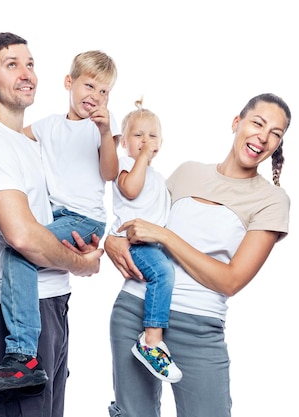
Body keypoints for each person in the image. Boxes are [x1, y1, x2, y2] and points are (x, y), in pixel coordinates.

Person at [99, 92, 292, 417]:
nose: (264, 136)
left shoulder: (271, 201)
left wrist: (165, 236)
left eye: (276, 133)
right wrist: (110, 240)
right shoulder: (188, 172)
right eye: (258, 123)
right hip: (135, 310)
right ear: (236, 123)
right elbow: (140, 214)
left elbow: (230, 280)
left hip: (198, 326)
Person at [0, 32, 104, 417]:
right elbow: (22, 236)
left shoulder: (27, 141)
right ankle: (20, 355)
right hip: (13, 318)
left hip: (52, 305)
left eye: (30, 64)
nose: (26, 74)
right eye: (12, 65)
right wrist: (84, 264)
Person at [109, 99, 181, 383]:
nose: (145, 140)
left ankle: (154, 338)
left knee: (165, 270)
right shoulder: (124, 165)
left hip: (153, 243)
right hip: (133, 242)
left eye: (152, 135)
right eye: (138, 135)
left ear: (160, 143)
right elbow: (130, 190)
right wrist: (140, 158)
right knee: (163, 274)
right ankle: (150, 342)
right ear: (125, 141)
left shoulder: (158, 176)